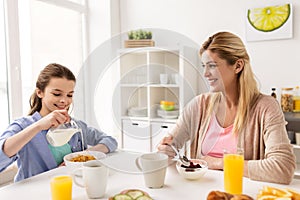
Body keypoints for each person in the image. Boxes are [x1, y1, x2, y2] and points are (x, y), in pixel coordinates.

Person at [158, 31, 296, 184]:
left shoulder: (266, 107)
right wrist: (166, 150)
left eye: (212, 66)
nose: (205, 73)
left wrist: (220, 162)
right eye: (204, 66)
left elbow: (283, 169)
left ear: (238, 66)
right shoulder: (199, 105)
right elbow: (170, 147)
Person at [0, 63, 118, 182]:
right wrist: (38, 126)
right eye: (57, 94)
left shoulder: (75, 126)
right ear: (40, 92)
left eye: (69, 95)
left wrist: (84, 156)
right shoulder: (23, 126)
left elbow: (110, 141)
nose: (64, 100)